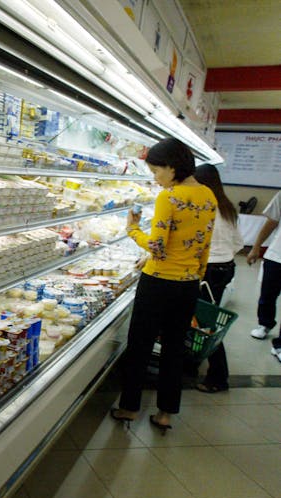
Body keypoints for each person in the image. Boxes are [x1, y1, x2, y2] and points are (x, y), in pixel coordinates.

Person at [110, 138, 217, 431]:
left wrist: (132, 229)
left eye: (156, 171)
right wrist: (196, 274)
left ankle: (130, 408)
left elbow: (156, 246)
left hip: (158, 282)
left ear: (172, 167)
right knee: (174, 348)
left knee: (140, 345)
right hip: (188, 283)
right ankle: (166, 413)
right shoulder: (208, 195)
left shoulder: (169, 197)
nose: (155, 179)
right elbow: (203, 245)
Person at [193, 164, 243, 392]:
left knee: (207, 323)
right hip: (225, 267)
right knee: (204, 318)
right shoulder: (227, 207)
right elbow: (239, 243)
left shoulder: (205, 206)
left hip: (208, 270)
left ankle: (218, 377)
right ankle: (192, 363)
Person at [247, 190, 281, 362]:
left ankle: (280, 345)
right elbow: (271, 222)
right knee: (267, 295)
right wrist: (256, 247)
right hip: (277, 256)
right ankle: (265, 323)